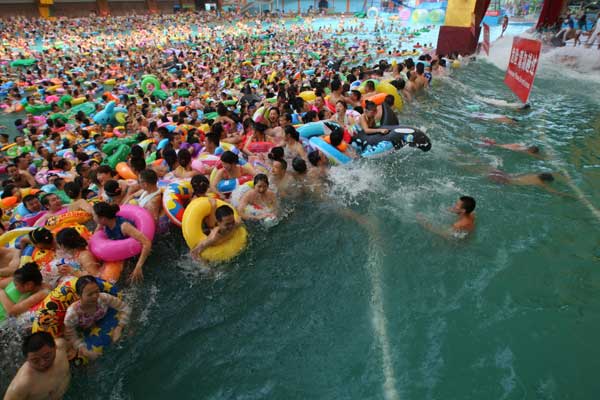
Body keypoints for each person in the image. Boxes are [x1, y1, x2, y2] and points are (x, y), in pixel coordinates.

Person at [64, 275, 130, 361]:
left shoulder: (103, 298)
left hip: (106, 317)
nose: (95, 296)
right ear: (78, 296)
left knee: (129, 332)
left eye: (97, 291)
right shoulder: (72, 314)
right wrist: (83, 349)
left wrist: (119, 327)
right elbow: (71, 335)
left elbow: (125, 308)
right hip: (86, 329)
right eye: (90, 294)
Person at [92, 202, 152, 283]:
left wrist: (138, 266)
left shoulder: (124, 226)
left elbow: (147, 243)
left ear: (102, 218)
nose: (93, 218)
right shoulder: (102, 224)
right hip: (120, 254)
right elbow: (95, 238)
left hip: (136, 255)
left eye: (94, 216)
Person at [3, 332, 70, 400]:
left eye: (47, 356)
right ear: (27, 359)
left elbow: (70, 345)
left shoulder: (61, 346)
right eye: (35, 361)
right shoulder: (22, 384)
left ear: (55, 347)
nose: (43, 363)